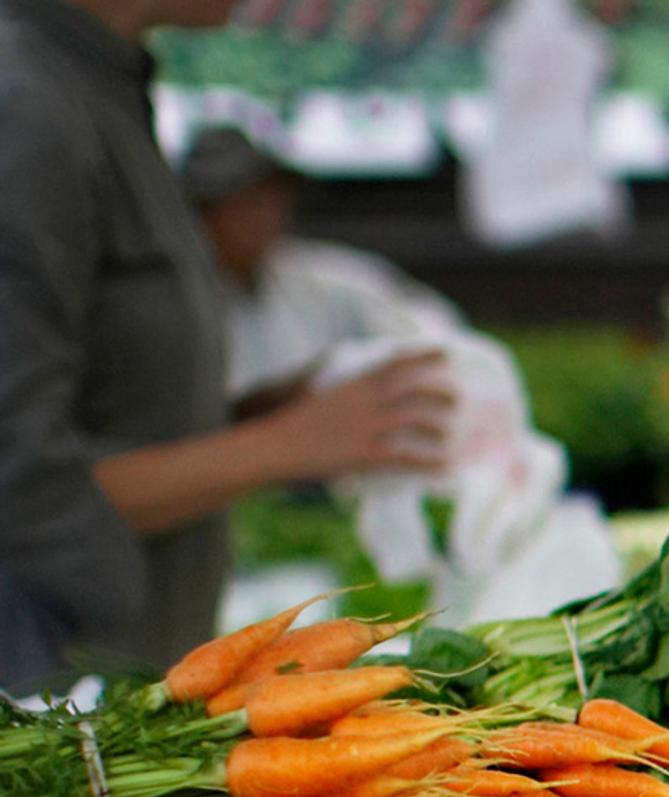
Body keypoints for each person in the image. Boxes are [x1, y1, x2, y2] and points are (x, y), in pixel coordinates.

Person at [0, 0, 449, 687]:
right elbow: (21, 481)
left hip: (131, 698)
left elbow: (103, 420)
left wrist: (263, 415)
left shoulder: (97, 87)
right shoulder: (24, 101)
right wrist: (284, 445)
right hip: (49, 726)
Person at [183, 125, 466, 402]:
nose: (261, 215)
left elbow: (429, 325)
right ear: (201, 214)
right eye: (242, 202)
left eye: (269, 197)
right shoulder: (178, 301)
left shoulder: (317, 279)